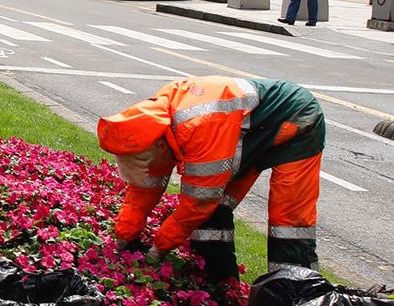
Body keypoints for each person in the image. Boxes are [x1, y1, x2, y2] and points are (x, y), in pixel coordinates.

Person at [97, 74, 325, 280]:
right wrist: (126, 236)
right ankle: (221, 284)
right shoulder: (150, 124)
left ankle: (297, 300)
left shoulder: (197, 129)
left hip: (297, 119)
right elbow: (144, 187)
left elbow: (198, 204)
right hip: (249, 128)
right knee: (215, 212)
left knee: (289, 224)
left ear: (156, 146)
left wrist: (157, 251)